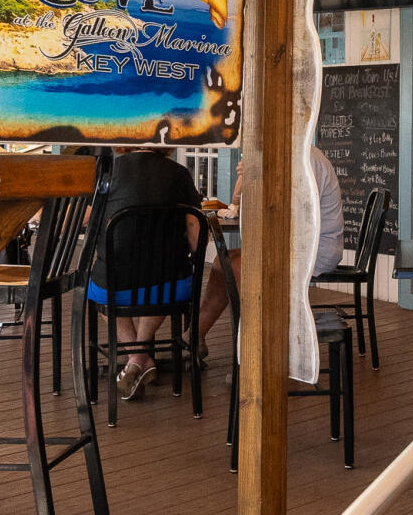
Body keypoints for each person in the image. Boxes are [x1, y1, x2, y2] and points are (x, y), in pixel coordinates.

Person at [190, 145, 343, 348]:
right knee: (222, 262)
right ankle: (194, 336)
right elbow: (238, 202)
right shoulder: (282, 157)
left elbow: (292, 216)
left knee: (237, 266)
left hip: (315, 250)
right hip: (291, 245)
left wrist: (259, 179)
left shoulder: (306, 160)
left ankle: (258, 350)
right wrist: (246, 177)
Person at [92, 150, 206, 400]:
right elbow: (196, 238)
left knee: (104, 291)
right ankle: (141, 359)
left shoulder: (106, 173)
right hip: (169, 285)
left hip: (114, 285)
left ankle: (135, 360)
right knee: (159, 281)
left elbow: (93, 225)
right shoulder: (179, 174)